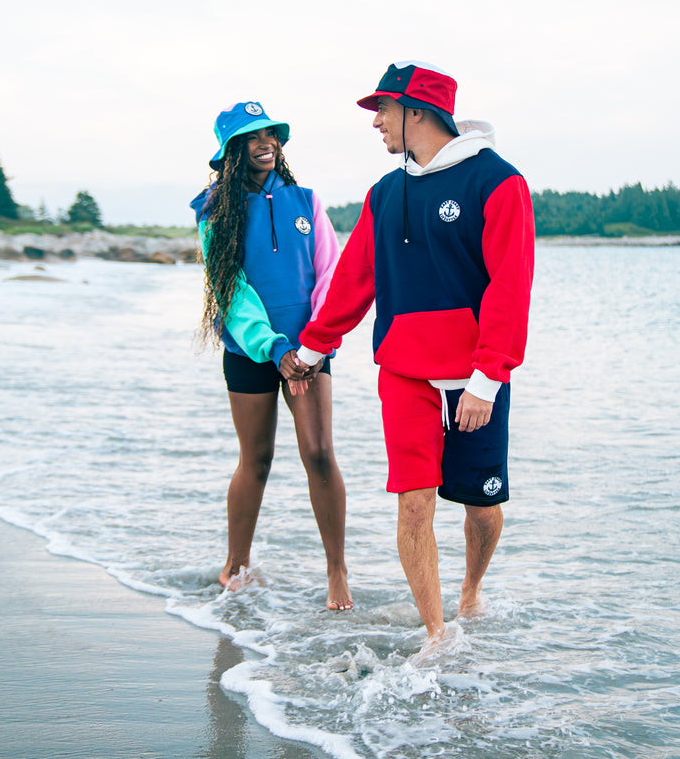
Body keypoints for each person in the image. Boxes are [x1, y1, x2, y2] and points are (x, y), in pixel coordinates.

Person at [294, 62, 534, 640]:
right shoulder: (385, 192)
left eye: (383, 109)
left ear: (418, 111)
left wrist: (487, 378)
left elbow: (511, 284)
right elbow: (355, 278)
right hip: (403, 371)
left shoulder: (498, 181)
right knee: (413, 505)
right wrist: (312, 346)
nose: (376, 122)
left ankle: (471, 592)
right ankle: (436, 635)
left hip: (474, 378)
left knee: (480, 505)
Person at [190, 101, 352, 611]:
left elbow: (331, 273)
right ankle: (236, 564)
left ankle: (337, 571)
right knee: (255, 459)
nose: (265, 144)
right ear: (230, 151)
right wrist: (275, 347)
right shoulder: (214, 210)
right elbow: (231, 290)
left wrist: (314, 344)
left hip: (309, 350)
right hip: (251, 350)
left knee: (319, 453)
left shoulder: (306, 201)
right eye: (252, 137)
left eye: (271, 135)